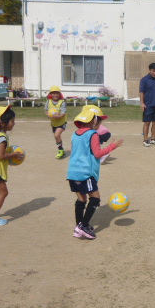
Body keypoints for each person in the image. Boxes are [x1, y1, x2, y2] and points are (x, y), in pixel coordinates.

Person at [67, 107, 124, 239]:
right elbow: (98, 154)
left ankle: (78, 227)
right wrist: (112, 146)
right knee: (95, 198)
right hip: (85, 172)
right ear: (94, 121)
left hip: (72, 172)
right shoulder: (93, 134)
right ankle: (83, 226)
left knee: (81, 200)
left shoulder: (75, 134)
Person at [139, 63, 155, 147]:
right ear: (150, 70)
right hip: (148, 105)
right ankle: (145, 139)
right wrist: (142, 103)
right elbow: (142, 92)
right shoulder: (144, 80)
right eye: (154, 71)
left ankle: (153, 139)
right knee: (147, 122)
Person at [46, 86, 67, 159]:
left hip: (62, 122)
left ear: (59, 94)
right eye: (53, 93)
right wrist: (48, 115)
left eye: (57, 93)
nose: (55, 95)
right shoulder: (48, 102)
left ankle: (60, 151)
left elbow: (63, 112)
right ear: (50, 94)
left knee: (56, 135)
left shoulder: (62, 102)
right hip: (54, 123)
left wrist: (59, 116)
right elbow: (46, 110)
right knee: (57, 137)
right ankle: (61, 148)